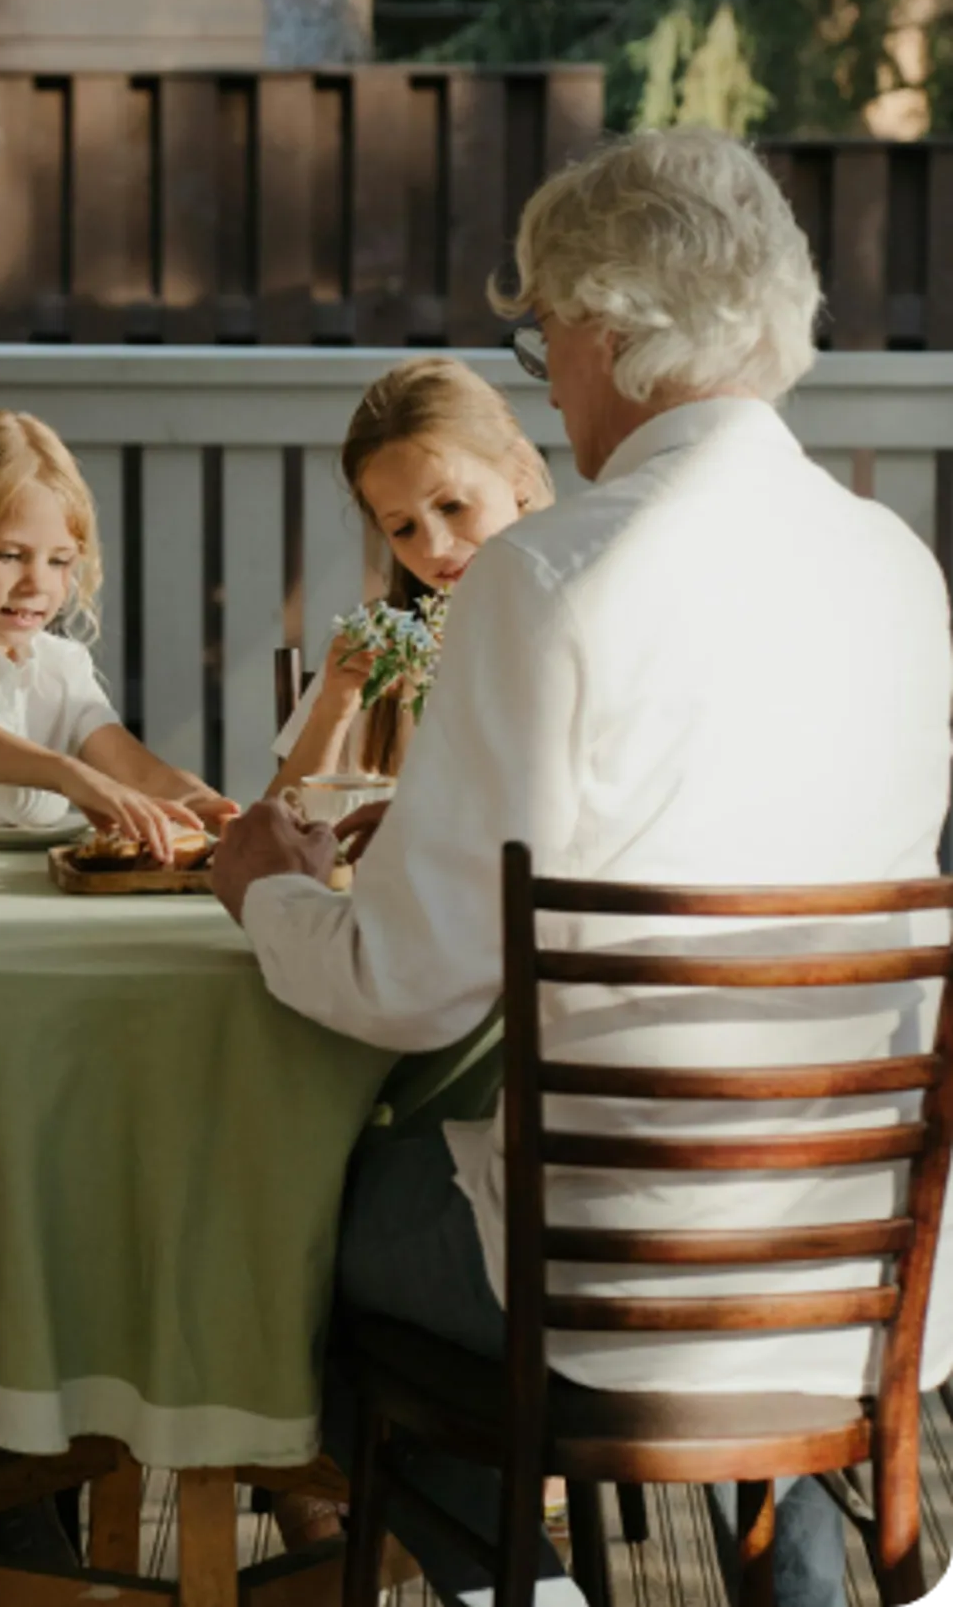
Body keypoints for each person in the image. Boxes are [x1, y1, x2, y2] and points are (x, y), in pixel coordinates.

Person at [213, 128, 953, 1607]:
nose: (543, 364)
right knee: (701, 1264)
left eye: (544, 325)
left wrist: (260, 885)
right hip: (864, 1259)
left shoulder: (547, 575)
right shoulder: (894, 562)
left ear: (610, 329)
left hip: (624, 1267)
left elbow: (410, 986)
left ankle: (532, 1596)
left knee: (280, 1244)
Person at [0, 410, 236, 856]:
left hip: (16, 902)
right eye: (9, 555)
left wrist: (200, 802)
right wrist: (68, 773)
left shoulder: (61, 667)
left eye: (59, 561)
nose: (37, 584)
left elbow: (137, 772)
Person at [268, 358, 554, 801]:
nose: (435, 548)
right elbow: (277, 832)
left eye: (453, 506)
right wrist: (333, 709)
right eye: (403, 529)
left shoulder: (578, 621)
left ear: (520, 473)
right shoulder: (383, 648)